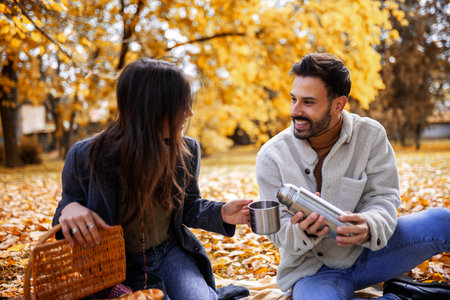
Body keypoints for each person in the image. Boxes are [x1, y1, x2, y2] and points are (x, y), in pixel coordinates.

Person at [52, 58, 252, 300]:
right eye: (181, 105)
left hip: (169, 254)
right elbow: (63, 223)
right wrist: (69, 209)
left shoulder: (186, 151)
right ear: (151, 108)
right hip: (118, 269)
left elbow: (187, 206)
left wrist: (221, 212)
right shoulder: (86, 155)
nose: (190, 113)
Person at [255, 52, 450, 300]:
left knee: (442, 222)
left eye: (308, 102)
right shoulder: (271, 156)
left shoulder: (370, 135)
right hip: (312, 271)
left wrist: (369, 225)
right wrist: (304, 231)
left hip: (372, 253)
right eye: (293, 99)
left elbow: (384, 196)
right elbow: (275, 231)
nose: (295, 111)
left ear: (339, 104)